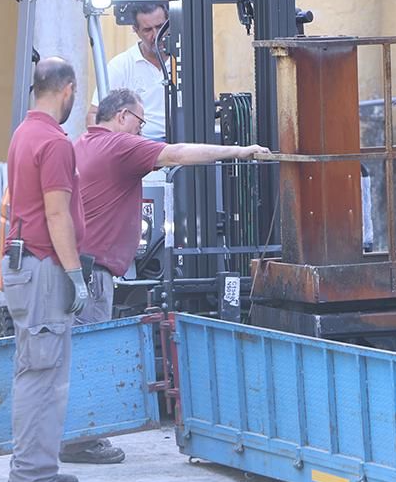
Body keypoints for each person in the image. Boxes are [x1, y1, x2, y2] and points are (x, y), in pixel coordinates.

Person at [74, 88, 270, 325]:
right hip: (94, 274)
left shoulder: (81, 144)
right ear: (122, 115)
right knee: (92, 351)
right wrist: (239, 151)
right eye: (140, 122)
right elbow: (177, 154)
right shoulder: (120, 145)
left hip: (76, 269)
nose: (140, 131)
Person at [2, 57, 90, 482]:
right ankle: (32, 476)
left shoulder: (24, 132)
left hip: (23, 264)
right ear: (67, 90)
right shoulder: (55, 142)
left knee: (34, 368)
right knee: (43, 375)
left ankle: (36, 468)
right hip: (43, 267)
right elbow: (57, 214)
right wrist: (76, 275)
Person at [85, 2, 170, 141]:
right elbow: (94, 115)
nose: (156, 35)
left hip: (183, 142)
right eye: (148, 30)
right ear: (135, 30)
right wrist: (110, 146)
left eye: (160, 27)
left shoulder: (187, 61)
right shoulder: (121, 65)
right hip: (137, 145)